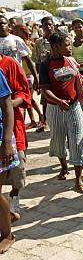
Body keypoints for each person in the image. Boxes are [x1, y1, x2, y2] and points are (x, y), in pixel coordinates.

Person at [39, 32, 83, 193]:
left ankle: (78, 180)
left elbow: (79, 80)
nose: (70, 47)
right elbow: (45, 91)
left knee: (76, 141)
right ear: (55, 47)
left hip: (73, 107)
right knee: (59, 139)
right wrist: (58, 101)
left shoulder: (72, 61)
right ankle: (63, 167)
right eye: (66, 45)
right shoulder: (46, 65)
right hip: (55, 109)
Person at [0, 53, 31, 219]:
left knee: (18, 171)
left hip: (12, 127)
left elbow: (24, 92)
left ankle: (14, 199)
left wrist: (8, 105)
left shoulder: (9, 64)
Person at [0, 70, 16, 253]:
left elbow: (7, 106)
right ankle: (7, 214)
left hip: (0, 139)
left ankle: (7, 235)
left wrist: (6, 142)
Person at [0, 16, 38, 88]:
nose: (2, 25)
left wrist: (36, 78)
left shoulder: (16, 40)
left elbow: (28, 60)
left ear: (8, 26)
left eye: (4, 23)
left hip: (15, 77)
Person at [32, 16, 55, 132]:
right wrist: (37, 78)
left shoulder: (59, 39)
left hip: (57, 72)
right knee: (44, 99)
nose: (49, 27)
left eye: (51, 24)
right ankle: (44, 121)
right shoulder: (38, 43)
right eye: (46, 25)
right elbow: (36, 61)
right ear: (42, 27)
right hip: (44, 73)